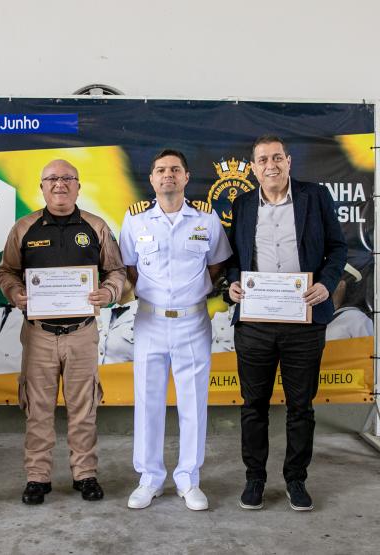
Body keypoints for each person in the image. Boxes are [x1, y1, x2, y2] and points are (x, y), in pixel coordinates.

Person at [227, 135, 347, 512]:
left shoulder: (315, 197)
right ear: (254, 168)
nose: (271, 165)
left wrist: (327, 285)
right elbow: (234, 256)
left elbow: (338, 247)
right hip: (256, 323)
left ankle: (296, 479)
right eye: (262, 159)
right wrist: (231, 283)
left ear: (289, 162)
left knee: (301, 407)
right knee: (253, 406)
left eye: (277, 157)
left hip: (305, 321)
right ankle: (255, 479)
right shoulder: (243, 203)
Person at [0, 159, 125, 505]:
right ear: (42, 187)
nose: (59, 184)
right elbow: (6, 271)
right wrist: (15, 292)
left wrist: (108, 292)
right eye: (52, 178)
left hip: (82, 332)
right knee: (38, 409)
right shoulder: (24, 228)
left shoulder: (96, 227)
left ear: (78, 186)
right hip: (39, 333)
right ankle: (38, 477)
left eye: (67, 178)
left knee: (84, 409)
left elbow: (116, 272)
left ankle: (85, 474)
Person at [118, 149, 232, 511]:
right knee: (148, 402)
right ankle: (149, 479)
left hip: (193, 321)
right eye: (161, 170)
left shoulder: (206, 219)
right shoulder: (135, 221)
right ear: (151, 179)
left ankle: (188, 479)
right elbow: (129, 269)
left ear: (186, 177)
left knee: (193, 403)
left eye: (175, 170)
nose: (168, 175)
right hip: (150, 321)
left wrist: (190, 293)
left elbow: (216, 266)